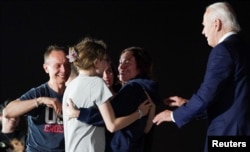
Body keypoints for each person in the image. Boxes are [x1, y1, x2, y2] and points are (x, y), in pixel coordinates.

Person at [153, 2, 250, 152]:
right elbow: (229, 98)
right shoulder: (243, 48)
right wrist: (188, 103)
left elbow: (207, 95)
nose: (203, 32)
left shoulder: (223, 50)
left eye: (205, 25)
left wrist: (174, 115)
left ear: (216, 24)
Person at [62, 37, 153, 152]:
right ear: (96, 62)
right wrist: (139, 113)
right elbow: (112, 125)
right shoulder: (96, 83)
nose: (108, 63)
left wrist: (78, 113)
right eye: (105, 60)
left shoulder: (71, 85)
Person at [3, 45, 71, 152]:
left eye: (67, 65)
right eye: (58, 66)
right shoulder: (39, 92)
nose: (63, 70)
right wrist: (40, 101)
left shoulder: (73, 92)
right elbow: (8, 111)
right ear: (46, 68)